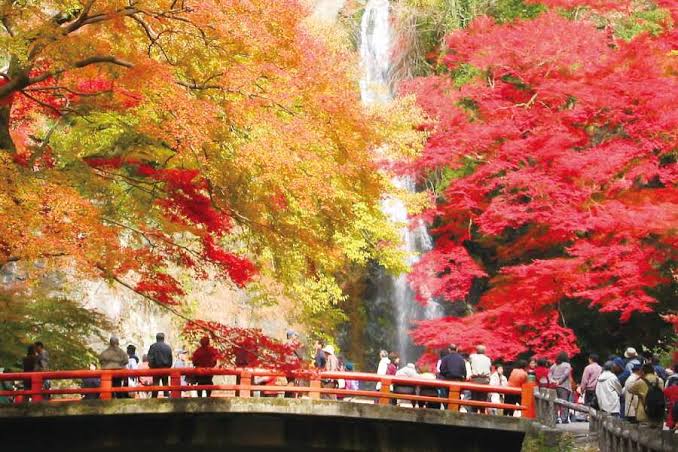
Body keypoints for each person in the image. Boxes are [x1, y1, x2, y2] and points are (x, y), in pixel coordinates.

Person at [628, 363, 665, 428]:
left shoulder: (640, 381)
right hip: (658, 413)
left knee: (644, 433)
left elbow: (630, 389)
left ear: (643, 371)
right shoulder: (660, 380)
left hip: (644, 413)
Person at [548, 352, 572, 423]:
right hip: (564, 386)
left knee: (555, 403)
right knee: (564, 403)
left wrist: (552, 380)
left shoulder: (554, 365)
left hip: (554, 386)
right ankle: (564, 418)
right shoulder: (567, 365)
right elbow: (565, 374)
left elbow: (549, 374)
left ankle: (555, 418)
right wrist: (559, 381)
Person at [148, 332, 173, 398]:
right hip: (165, 368)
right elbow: (170, 359)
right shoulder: (168, 347)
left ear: (156, 338)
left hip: (155, 368)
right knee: (165, 384)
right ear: (163, 338)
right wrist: (168, 367)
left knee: (155, 384)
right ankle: (166, 397)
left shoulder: (153, 347)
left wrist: (151, 366)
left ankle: (154, 399)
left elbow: (150, 358)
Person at [468, 345, 492, 413]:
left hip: (475, 379)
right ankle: (482, 413)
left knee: (474, 399)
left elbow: (469, 365)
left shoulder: (472, 357)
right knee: (483, 400)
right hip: (485, 380)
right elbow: (490, 368)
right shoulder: (488, 359)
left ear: (476, 351)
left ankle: (473, 413)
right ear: (484, 351)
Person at [664, 364, 678, 430]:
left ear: (674, 370)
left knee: (672, 422)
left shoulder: (670, 378)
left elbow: (665, 391)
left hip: (672, 405)